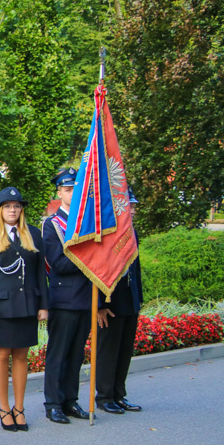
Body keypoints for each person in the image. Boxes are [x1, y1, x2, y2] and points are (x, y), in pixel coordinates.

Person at [0, 188, 48, 432]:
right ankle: (5, 408)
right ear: (0, 210)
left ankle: (20, 408)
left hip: (27, 305)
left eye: (16, 206)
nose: (13, 210)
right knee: (2, 355)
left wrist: (43, 306)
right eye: (7, 206)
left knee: (21, 356)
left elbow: (40, 274)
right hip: (1, 307)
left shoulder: (34, 235)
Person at [42, 168, 92, 424]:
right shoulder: (52, 225)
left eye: (76, 188)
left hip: (86, 298)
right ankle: (53, 403)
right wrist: (88, 254)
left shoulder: (89, 223)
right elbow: (59, 263)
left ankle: (70, 401)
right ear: (59, 192)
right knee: (59, 353)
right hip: (63, 300)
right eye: (68, 189)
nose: (72, 193)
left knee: (76, 354)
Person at [96, 187, 143, 414]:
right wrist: (99, 306)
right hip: (110, 302)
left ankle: (118, 394)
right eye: (130, 206)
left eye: (134, 206)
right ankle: (104, 397)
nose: (133, 210)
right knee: (109, 349)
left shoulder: (132, 232)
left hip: (129, 300)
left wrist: (138, 300)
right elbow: (96, 270)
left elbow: (136, 270)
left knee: (124, 350)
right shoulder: (107, 233)